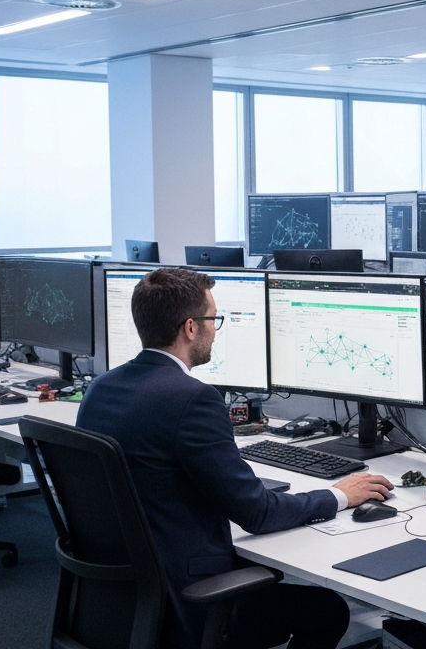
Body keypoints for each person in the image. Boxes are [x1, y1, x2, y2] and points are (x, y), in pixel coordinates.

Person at [77, 267, 392, 649]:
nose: (215, 331)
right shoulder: (192, 399)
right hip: (187, 600)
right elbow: (258, 514)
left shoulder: (101, 388)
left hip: (121, 595)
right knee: (327, 609)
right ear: (190, 327)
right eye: (214, 320)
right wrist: (341, 495)